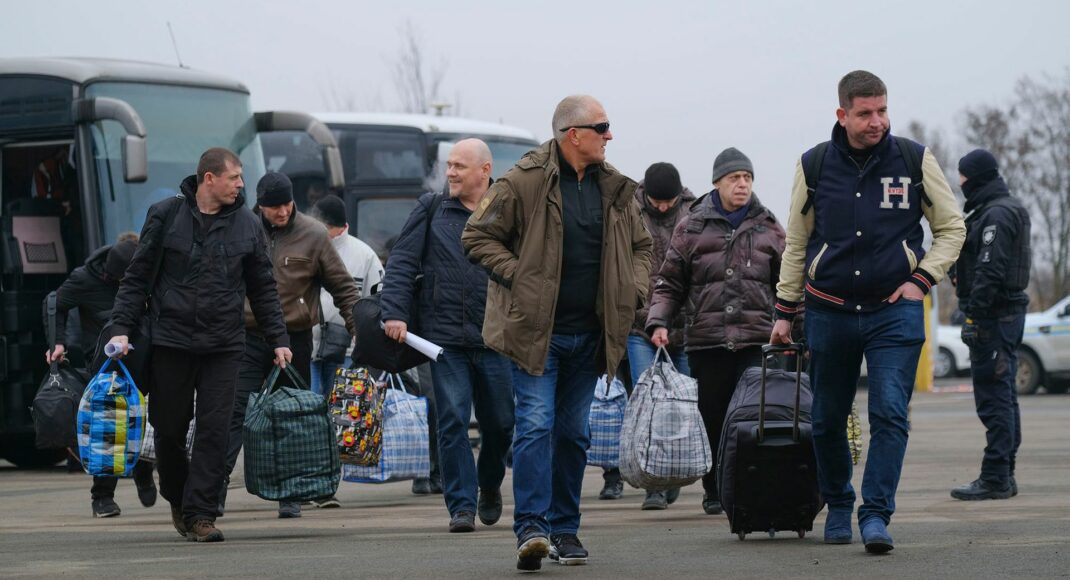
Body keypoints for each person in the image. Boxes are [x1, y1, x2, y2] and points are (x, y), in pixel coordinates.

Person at [770, 70, 966, 553]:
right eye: (865, 113)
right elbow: (797, 243)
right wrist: (783, 309)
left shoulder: (914, 159)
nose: (876, 121)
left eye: (882, 110)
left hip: (893, 311)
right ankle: (838, 502)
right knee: (827, 419)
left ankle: (876, 515)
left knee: (890, 415)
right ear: (842, 114)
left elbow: (952, 227)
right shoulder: (813, 165)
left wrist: (922, 279)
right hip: (828, 311)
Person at [462, 95, 653, 570]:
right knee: (535, 424)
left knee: (573, 434)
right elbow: (477, 236)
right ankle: (531, 528)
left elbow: (643, 246)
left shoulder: (615, 189)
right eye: (602, 127)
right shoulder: (522, 182)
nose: (610, 135)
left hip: (590, 336)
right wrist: (521, 278)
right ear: (574, 134)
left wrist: (633, 289)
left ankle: (566, 530)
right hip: (535, 334)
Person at [109, 147, 292, 543]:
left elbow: (263, 288)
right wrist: (120, 329)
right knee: (169, 430)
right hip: (170, 342)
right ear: (209, 179)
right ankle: (177, 496)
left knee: (216, 431)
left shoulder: (247, 224)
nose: (241, 185)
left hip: (224, 345)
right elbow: (137, 278)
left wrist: (278, 339)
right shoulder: (165, 215)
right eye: (235, 177)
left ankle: (202, 514)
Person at [381, 138, 515, 534]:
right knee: (452, 419)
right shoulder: (432, 207)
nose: (451, 172)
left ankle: (488, 484)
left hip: (495, 338)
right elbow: (402, 261)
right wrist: (394, 313)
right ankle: (460, 505)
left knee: (501, 424)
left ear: (484, 171)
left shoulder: (509, 212)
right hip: (445, 341)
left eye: (459, 166)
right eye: (449, 165)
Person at [646, 148, 785, 516]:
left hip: (756, 339)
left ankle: (745, 485)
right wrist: (659, 321)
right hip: (707, 342)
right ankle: (713, 487)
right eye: (734, 178)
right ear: (717, 183)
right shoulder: (691, 226)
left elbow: (788, 286)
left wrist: (798, 329)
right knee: (713, 416)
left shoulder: (768, 226)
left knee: (753, 417)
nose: (742, 184)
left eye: (747, 178)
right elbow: (669, 282)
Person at [222, 172, 359, 518]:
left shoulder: (313, 234)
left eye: (286, 204)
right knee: (232, 413)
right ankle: (213, 492)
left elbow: (343, 288)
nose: (282, 212)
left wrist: (360, 330)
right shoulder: (240, 227)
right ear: (260, 205)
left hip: (294, 339)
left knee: (293, 418)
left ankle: (291, 494)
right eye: (273, 207)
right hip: (247, 337)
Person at [597, 162, 695, 509]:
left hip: (684, 326)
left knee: (680, 407)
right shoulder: (628, 211)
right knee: (648, 401)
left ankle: (674, 471)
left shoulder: (692, 212)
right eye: (658, 201)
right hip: (640, 325)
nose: (663, 207)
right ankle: (653, 482)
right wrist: (644, 317)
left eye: (669, 201)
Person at [44, 238, 157, 518]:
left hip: (144, 357)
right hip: (105, 364)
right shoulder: (85, 279)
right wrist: (56, 342)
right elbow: (54, 303)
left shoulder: (147, 273)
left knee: (148, 423)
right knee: (108, 427)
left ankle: (143, 470)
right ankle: (103, 496)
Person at [949, 149, 1031, 501]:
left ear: (976, 177)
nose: (961, 184)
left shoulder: (996, 214)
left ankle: (996, 476)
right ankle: (1004, 473)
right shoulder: (1000, 208)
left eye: (963, 178)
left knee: (994, 397)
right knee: (1005, 396)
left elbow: (990, 271)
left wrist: (973, 317)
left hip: (994, 318)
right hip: (1006, 315)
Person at [308, 194, 384, 396]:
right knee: (308, 409)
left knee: (342, 411)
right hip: (309, 346)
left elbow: (378, 299)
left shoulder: (365, 256)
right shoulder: (307, 247)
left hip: (348, 350)